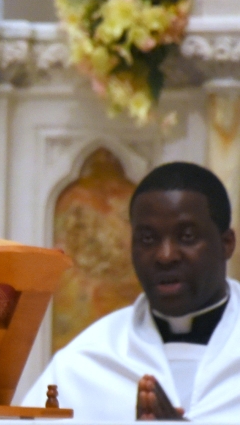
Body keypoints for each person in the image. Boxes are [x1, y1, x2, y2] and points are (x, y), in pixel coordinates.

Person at [21, 162, 240, 421]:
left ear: (226, 244)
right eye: (148, 239)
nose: (165, 256)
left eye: (187, 236)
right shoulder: (86, 362)